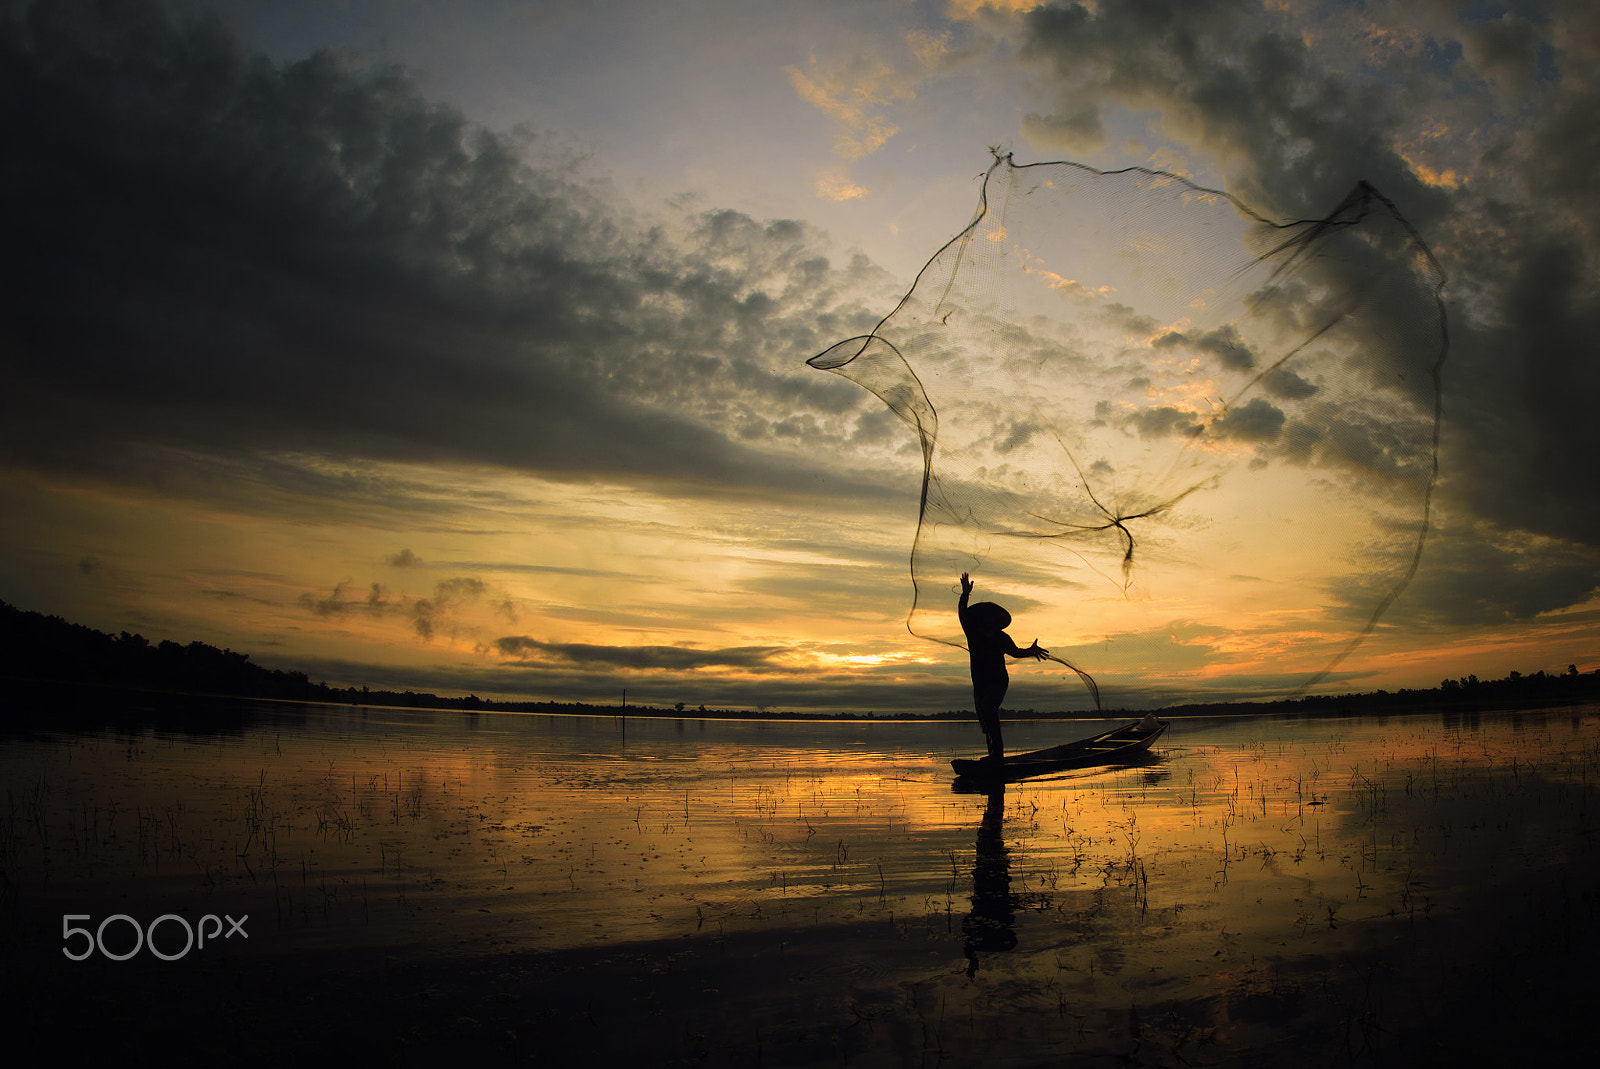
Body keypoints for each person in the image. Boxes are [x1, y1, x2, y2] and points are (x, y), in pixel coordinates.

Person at [958, 573, 1049, 763]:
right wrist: (965, 594)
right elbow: (962, 613)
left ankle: (997, 755)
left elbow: (1015, 652)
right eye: (986, 615)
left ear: (996, 619)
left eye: (991, 615)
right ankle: (993, 756)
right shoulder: (973, 633)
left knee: (988, 708)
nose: (988, 618)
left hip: (997, 681)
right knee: (984, 719)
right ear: (982, 618)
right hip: (979, 682)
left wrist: (1030, 651)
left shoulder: (1002, 637)